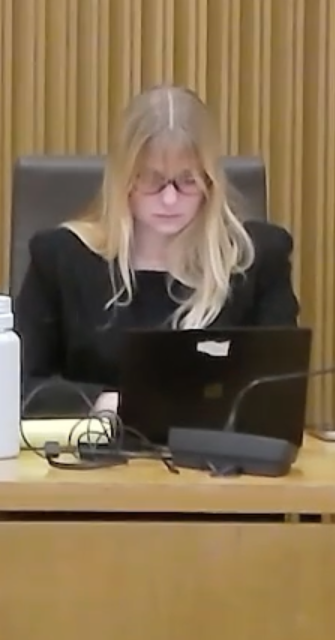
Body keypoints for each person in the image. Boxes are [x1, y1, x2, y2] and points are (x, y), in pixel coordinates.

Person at [15, 85, 300, 415]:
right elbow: (22, 387)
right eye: (151, 180)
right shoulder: (60, 258)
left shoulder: (256, 259)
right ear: (123, 179)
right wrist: (105, 402)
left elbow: (280, 390)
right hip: (92, 456)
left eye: (187, 181)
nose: (169, 199)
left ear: (211, 182)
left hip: (217, 461)